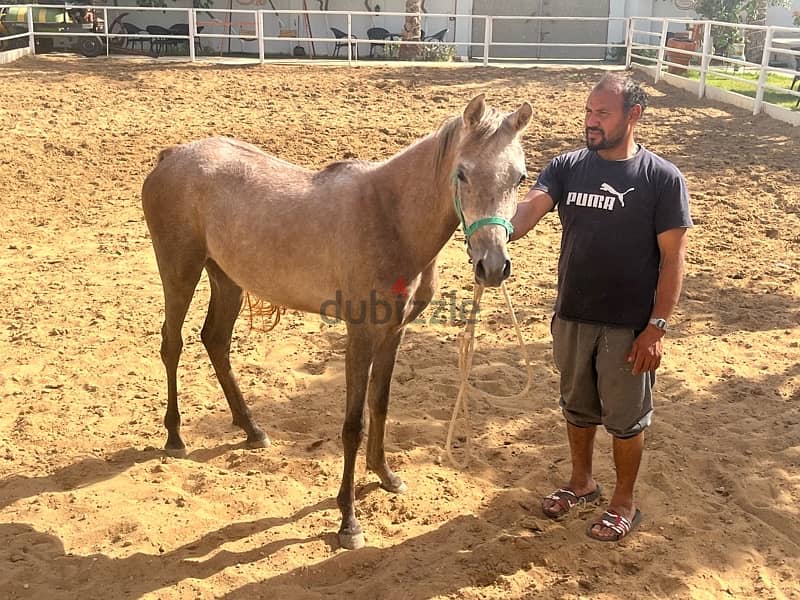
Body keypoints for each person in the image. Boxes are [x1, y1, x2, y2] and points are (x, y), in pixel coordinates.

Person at [511, 72, 692, 542]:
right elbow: (532, 206)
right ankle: (582, 483)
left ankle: (623, 502)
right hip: (572, 315)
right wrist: (498, 231)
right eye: (589, 111)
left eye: (602, 114)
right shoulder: (568, 166)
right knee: (577, 407)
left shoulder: (661, 179)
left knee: (627, 420)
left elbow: (673, 260)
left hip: (628, 327)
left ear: (633, 115)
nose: (591, 122)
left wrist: (656, 328)